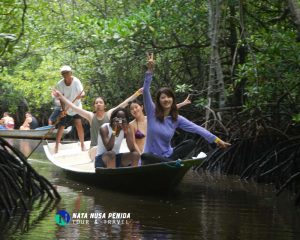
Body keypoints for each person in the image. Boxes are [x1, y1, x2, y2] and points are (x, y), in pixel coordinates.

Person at [141, 53, 231, 164]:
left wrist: (216, 140)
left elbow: (197, 128)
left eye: (169, 97)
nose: (166, 99)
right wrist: (150, 70)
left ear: (173, 99)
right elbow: (145, 91)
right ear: (158, 101)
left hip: (168, 156)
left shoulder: (177, 119)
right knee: (145, 156)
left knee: (190, 143)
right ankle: (170, 163)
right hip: (151, 159)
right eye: (163, 97)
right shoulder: (152, 113)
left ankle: (169, 162)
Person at [52, 87, 143, 158]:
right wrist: (61, 97)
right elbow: (74, 107)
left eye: (101, 102)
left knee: (112, 152)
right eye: (96, 103)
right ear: (94, 106)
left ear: (104, 106)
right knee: (101, 152)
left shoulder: (109, 114)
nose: (98, 104)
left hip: (108, 148)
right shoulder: (91, 116)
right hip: (95, 149)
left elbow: (124, 104)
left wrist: (137, 93)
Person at [54, 65, 85, 153]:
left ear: (71, 73)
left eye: (67, 72)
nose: (65, 74)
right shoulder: (60, 84)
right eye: (63, 73)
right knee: (61, 126)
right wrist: (63, 110)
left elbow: (83, 93)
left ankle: (82, 145)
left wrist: (80, 96)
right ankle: (56, 147)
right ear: (62, 74)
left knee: (78, 124)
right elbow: (61, 98)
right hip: (66, 108)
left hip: (76, 107)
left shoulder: (76, 81)